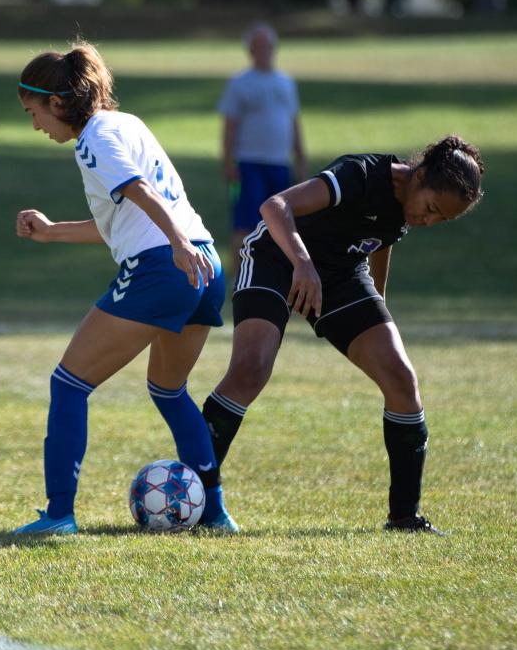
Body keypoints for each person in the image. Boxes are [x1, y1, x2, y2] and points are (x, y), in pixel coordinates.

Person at [200, 136, 485, 533]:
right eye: (432, 209)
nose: (429, 221)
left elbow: (383, 239)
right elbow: (274, 206)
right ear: (418, 176)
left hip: (340, 277)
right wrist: (302, 264)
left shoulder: (407, 205)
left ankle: (404, 517)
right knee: (251, 369)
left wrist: (378, 309)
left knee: (401, 381)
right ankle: (195, 494)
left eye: (442, 220)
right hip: (276, 260)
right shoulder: (361, 174)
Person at [13, 43, 238, 534]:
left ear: (56, 103)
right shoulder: (128, 123)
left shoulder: (94, 139)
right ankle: (215, 513)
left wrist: (175, 243)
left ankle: (58, 516)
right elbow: (122, 219)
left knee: (68, 384)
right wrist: (51, 231)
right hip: (207, 265)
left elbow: (140, 189)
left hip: (166, 265)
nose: (35, 126)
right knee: (168, 389)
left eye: (33, 113)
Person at [218, 22, 307, 260]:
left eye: (268, 46)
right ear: (250, 50)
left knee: (282, 225)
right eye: (259, 46)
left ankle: (274, 276)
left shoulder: (285, 83)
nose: (264, 51)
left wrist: (300, 158)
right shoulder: (240, 83)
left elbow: (294, 123)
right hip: (249, 164)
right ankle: (238, 277)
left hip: (279, 163)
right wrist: (228, 162)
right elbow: (229, 126)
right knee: (245, 223)